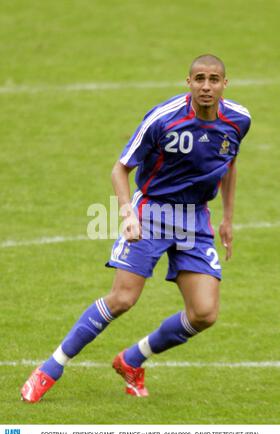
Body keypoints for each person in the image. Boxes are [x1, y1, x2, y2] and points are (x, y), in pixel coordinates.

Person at [21, 54, 251, 401]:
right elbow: (120, 168)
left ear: (225, 84)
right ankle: (50, 367)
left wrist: (227, 219)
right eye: (200, 79)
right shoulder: (164, 118)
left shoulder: (238, 120)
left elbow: (229, 163)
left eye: (214, 79)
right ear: (188, 82)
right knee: (123, 299)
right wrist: (128, 215)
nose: (207, 86)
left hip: (195, 218)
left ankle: (132, 360)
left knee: (204, 313)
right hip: (152, 213)